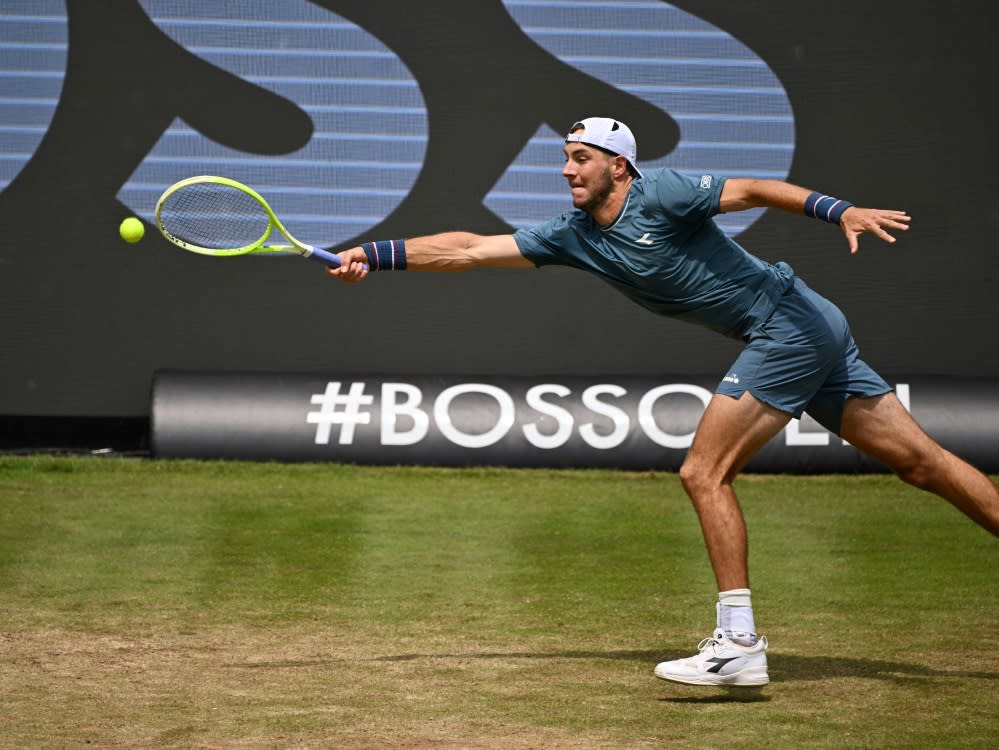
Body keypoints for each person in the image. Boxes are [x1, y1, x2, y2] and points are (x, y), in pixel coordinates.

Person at [328, 117, 999, 687]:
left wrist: (838, 210)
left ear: (618, 166)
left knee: (701, 472)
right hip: (804, 328)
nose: (567, 169)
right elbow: (468, 249)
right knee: (921, 464)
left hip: (788, 325)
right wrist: (373, 254)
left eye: (580, 158)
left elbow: (753, 189)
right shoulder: (573, 235)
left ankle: (737, 645)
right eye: (564, 157)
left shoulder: (663, 193)